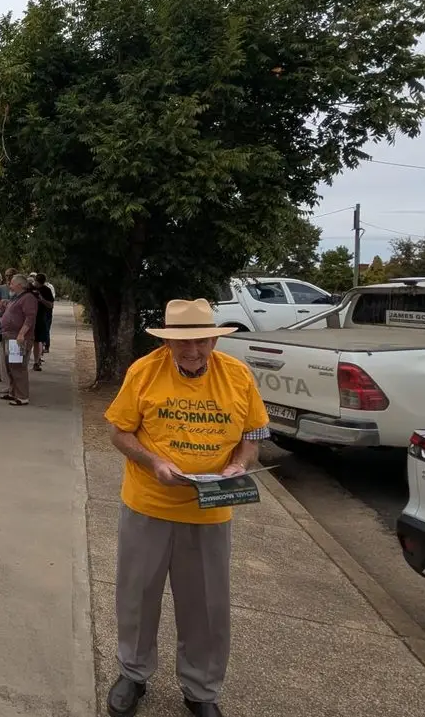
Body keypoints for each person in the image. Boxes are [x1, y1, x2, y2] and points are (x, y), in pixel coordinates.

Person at [103, 299, 270, 717]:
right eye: (183, 343)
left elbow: (253, 431)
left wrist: (239, 464)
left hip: (210, 508)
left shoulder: (237, 376)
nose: (192, 350)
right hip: (148, 503)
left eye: (201, 341)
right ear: (169, 342)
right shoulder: (144, 371)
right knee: (138, 594)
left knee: (207, 603)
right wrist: (154, 462)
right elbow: (119, 432)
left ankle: (201, 690)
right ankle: (133, 673)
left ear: (214, 338)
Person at [0, 274, 37, 406]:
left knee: (17, 366)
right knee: (10, 366)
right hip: (10, 336)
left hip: (18, 338)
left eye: (12, 283)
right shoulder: (17, 297)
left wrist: (22, 333)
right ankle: (13, 392)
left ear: (20, 285)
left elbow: (30, 317)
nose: (10, 285)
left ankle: (22, 396)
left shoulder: (28, 298)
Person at [0, 268, 17, 382]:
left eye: (10, 275)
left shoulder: (20, 290)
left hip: (16, 326)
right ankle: (2, 374)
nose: (8, 278)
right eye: (6, 275)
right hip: (2, 324)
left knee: (15, 353)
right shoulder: (1, 288)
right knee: (2, 351)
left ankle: (15, 377)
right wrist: (1, 303)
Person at [32, 273, 56, 370]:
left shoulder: (47, 290)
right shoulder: (31, 289)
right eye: (36, 282)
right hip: (29, 317)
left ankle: (36, 361)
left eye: (39, 282)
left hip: (41, 317)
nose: (37, 284)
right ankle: (25, 361)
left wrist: (41, 300)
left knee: (37, 341)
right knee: (28, 341)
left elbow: (50, 305)